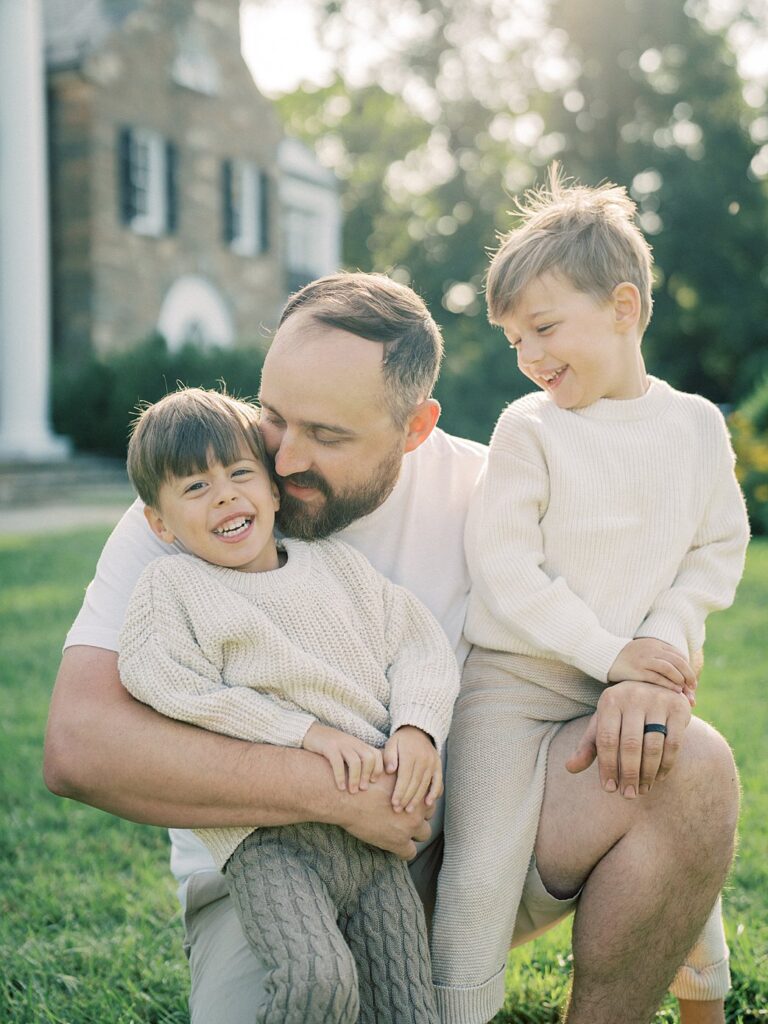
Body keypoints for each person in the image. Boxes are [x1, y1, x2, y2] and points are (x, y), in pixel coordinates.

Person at [44, 271, 741, 1024]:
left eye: (329, 435)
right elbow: (78, 747)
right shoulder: (201, 505)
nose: (280, 461)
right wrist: (339, 795)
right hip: (272, 879)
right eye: (275, 416)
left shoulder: (494, 489)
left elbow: (662, 582)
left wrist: (649, 666)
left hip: (471, 850)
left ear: (415, 427)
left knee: (690, 762)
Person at [430, 172, 750, 1024]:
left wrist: (660, 649)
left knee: (679, 794)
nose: (530, 357)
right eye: (513, 342)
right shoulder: (529, 429)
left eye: (542, 328)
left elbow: (716, 548)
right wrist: (612, 654)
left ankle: (702, 999)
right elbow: (505, 569)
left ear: (622, 307)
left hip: (632, 675)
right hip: (514, 689)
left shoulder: (694, 427)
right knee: (482, 865)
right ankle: (454, 1009)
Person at [117, 387, 459, 1023]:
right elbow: (166, 684)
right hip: (269, 838)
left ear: (273, 489)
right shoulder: (174, 588)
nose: (224, 495)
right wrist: (300, 731)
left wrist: (416, 727)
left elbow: (419, 646)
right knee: (316, 980)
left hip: (375, 840)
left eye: (241, 473)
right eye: (195, 488)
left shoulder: (337, 568)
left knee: (408, 1004)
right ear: (159, 523)